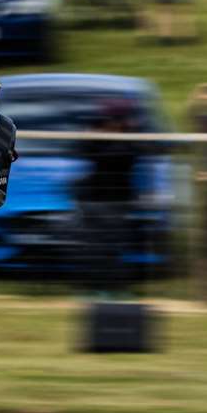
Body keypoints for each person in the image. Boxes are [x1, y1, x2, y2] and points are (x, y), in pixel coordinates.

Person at [76, 98, 142, 295]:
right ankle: (96, 288)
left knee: (113, 245)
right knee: (94, 246)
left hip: (116, 200)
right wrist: (97, 135)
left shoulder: (130, 140)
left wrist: (104, 136)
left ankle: (115, 288)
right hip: (94, 198)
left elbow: (117, 158)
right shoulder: (97, 133)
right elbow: (83, 150)